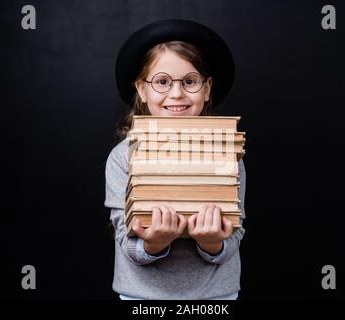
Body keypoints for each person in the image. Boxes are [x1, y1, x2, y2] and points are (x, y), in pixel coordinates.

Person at [104, 19, 246, 300]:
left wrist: (212, 242)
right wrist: (153, 244)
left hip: (215, 297)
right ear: (142, 90)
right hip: (141, 297)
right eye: (162, 82)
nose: (177, 93)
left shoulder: (228, 153)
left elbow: (235, 235)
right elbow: (125, 241)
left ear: (207, 89)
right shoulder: (122, 157)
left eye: (190, 81)